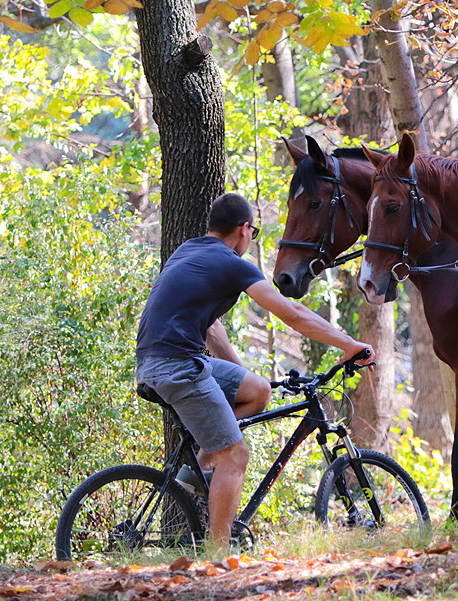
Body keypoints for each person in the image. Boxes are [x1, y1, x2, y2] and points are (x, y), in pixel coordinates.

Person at [135, 193, 373, 554]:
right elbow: (292, 313)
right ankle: (218, 555)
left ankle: (198, 470)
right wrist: (347, 344)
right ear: (245, 229)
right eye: (255, 232)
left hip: (155, 361)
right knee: (236, 456)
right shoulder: (231, 263)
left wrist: (239, 376)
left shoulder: (188, 250)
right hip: (179, 365)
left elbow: (212, 329)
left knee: (257, 390)